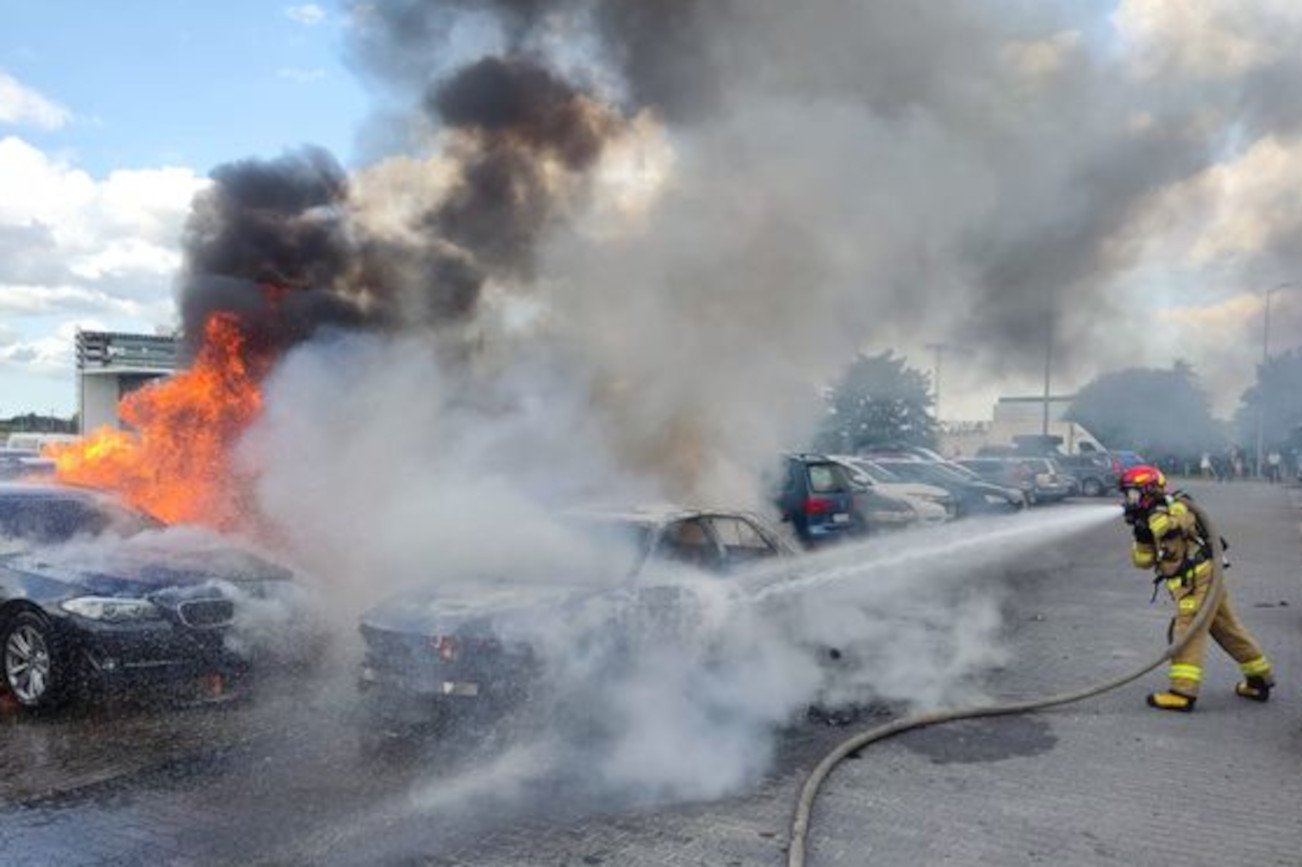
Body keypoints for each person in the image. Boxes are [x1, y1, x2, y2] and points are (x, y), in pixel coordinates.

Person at [1121, 465, 1274, 712]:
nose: (1129, 500)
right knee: (1228, 630)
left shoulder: (1177, 505)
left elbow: (1176, 524)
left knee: (1186, 632)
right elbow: (1142, 562)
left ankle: (1182, 693)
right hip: (1199, 581)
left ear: (1148, 491)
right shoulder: (1148, 517)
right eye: (1127, 495)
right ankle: (1259, 680)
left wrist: (1153, 515)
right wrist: (1142, 536)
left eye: (1133, 494)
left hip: (1197, 581)